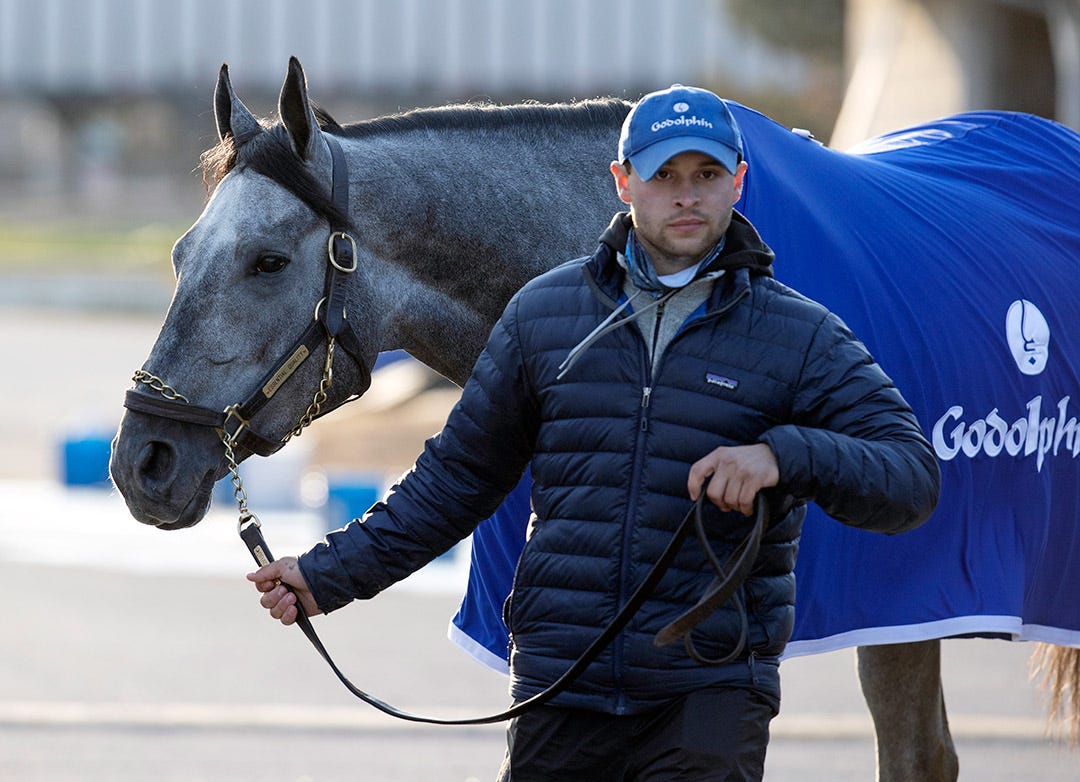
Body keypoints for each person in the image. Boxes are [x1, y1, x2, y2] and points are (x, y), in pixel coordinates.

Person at [248, 85, 941, 781]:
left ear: (738, 181)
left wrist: (782, 457)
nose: (686, 196)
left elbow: (909, 478)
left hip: (707, 694)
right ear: (622, 181)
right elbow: (456, 479)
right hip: (561, 685)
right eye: (663, 175)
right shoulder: (543, 314)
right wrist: (326, 575)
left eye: (706, 176)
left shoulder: (800, 333)